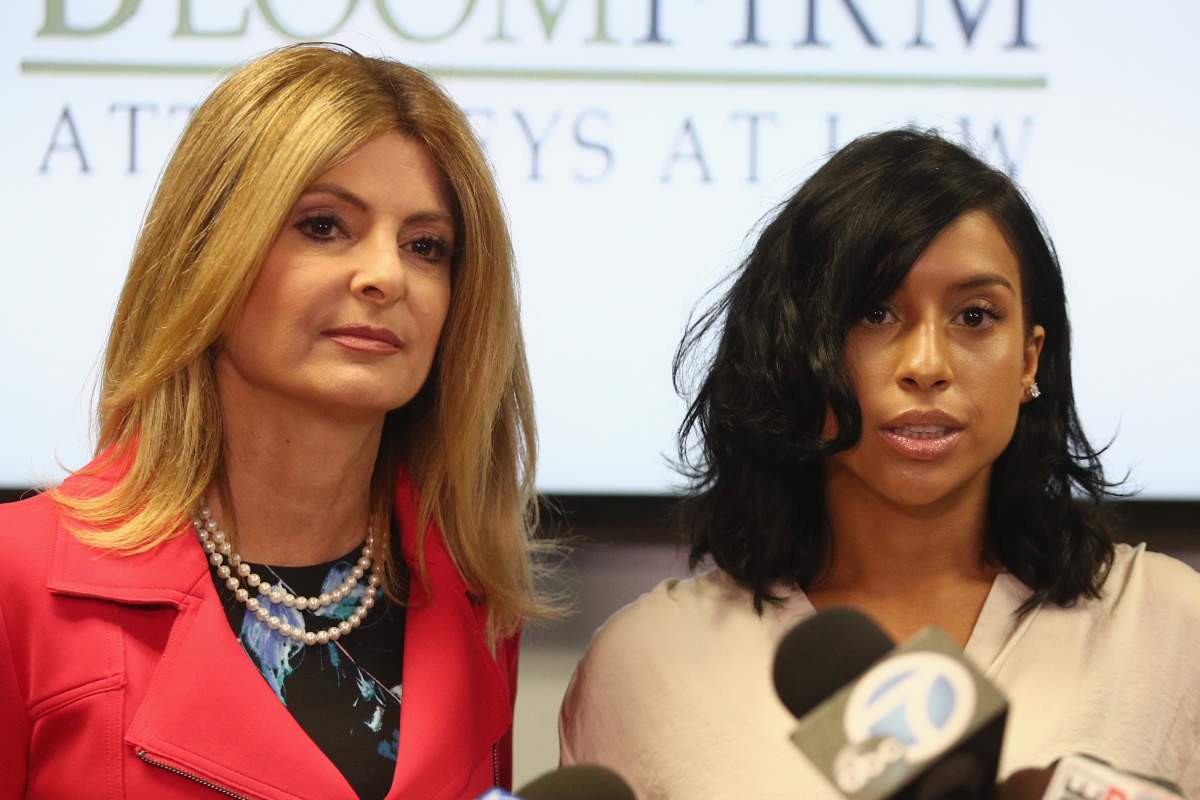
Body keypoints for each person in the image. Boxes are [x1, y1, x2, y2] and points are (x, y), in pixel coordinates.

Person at [559, 129, 1200, 798]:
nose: (927, 365)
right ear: (794, 348)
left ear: (1030, 360)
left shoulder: (1165, 626)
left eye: (975, 316)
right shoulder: (648, 665)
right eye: (874, 312)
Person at [0, 44, 554, 800]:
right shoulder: (19, 581)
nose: (385, 276)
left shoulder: (473, 597)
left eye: (425, 246)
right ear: (206, 258)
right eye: (324, 226)